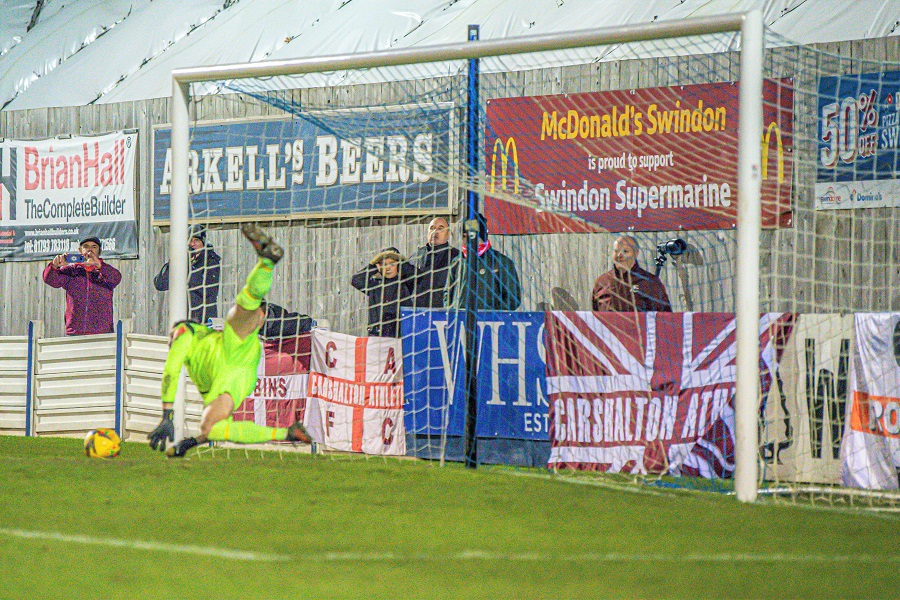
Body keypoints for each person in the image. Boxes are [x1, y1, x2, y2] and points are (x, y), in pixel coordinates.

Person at [147, 223, 312, 458]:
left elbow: (171, 371)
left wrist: (167, 415)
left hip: (231, 363)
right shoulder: (198, 343)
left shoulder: (185, 332)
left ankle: (266, 263)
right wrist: (191, 442)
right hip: (236, 367)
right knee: (212, 429)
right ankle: (287, 434)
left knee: (245, 306)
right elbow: (160, 283)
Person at [42, 236, 122, 336]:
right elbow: (50, 279)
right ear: (80, 250)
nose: (90, 250)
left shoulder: (105, 272)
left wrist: (99, 266)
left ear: (99, 252)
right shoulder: (72, 271)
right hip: (76, 331)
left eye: (94, 247)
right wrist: (54, 266)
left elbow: (116, 278)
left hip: (102, 332)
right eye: (86, 246)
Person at [444, 213, 522, 311]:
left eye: (472, 236)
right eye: (464, 236)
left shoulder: (501, 262)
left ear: (481, 236)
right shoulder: (457, 262)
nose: (468, 241)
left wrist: (492, 314)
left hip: (490, 323)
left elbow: (513, 298)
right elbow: (447, 293)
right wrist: (452, 311)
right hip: (460, 321)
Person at [154, 224, 221, 324]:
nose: (192, 244)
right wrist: (171, 265)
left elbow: (208, 290)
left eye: (196, 240)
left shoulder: (211, 261)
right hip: (184, 318)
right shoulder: (184, 261)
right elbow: (160, 284)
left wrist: (187, 270)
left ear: (203, 242)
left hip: (203, 319)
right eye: (190, 240)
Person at [592, 235, 672, 312]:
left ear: (636, 253)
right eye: (616, 251)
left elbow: (665, 317)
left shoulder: (650, 282)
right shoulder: (601, 282)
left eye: (625, 251)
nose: (620, 255)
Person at [351, 246, 415, 337]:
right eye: (384, 264)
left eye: (392, 264)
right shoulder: (374, 285)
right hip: (377, 335)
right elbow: (356, 280)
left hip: (400, 335)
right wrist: (373, 266)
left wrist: (402, 262)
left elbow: (418, 275)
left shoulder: (406, 284)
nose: (388, 268)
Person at [408, 217, 460, 308]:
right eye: (432, 228)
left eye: (440, 228)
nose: (435, 231)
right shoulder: (415, 257)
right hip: (416, 314)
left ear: (448, 234)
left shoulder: (457, 257)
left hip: (442, 315)